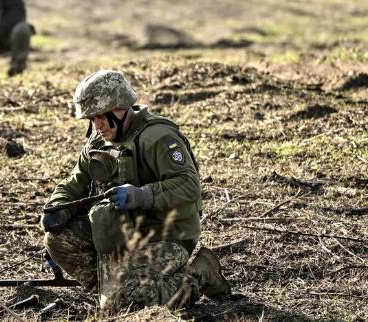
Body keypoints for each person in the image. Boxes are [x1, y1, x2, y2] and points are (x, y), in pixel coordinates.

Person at [41, 70, 230, 311]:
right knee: (58, 239)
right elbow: (75, 183)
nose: (96, 125)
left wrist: (142, 195)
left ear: (120, 109)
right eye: (91, 118)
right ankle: (117, 289)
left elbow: (189, 185)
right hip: (120, 232)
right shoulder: (99, 142)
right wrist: (57, 208)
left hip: (166, 236)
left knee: (118, 302)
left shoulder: (159, 138)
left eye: (100, 116)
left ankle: (198, 275)